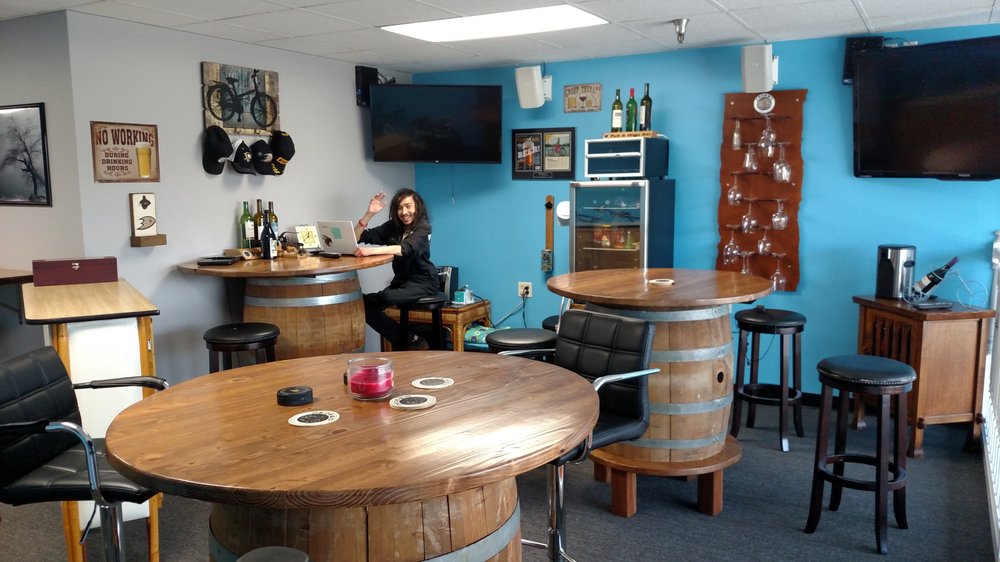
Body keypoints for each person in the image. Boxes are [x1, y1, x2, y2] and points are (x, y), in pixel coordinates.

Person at [354, 188, 440, 349]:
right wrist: (369, 214)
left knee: (386, 297)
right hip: (401, 281)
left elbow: (403, 249)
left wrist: (370, 251)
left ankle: (410, 343)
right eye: (400, 208)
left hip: (424, 281)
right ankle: (411, 340)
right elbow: (357, 237)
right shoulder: (393, 227)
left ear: (417, 207)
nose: (404, 212)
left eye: (408, 206)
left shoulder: (423, 228)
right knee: (361, 304)